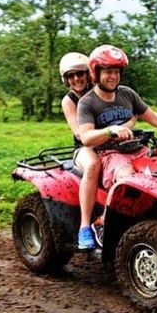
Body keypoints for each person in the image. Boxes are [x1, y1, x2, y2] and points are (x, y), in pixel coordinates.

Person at [77, 45, 157, 238]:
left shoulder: (127, 94)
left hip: (138, 150)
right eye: (107, 72)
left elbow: (153, 117)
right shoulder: (88, 102)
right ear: (95, 73)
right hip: (110, 154)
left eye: (116, 72)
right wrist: (110, 131)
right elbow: (86, 137)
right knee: (128, 178)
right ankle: (102, 222)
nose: (113, 76)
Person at [58, 52, 102, 250]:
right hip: (84, 148)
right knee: (93, 164)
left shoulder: (99, 92)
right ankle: (85, 227)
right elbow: (79, 133)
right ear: (66, 79)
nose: (76, 79)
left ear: (88, 74)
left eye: (80, 74)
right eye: (71, 76)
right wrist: (109, 133)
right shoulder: (69, 101)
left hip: (109, 145)